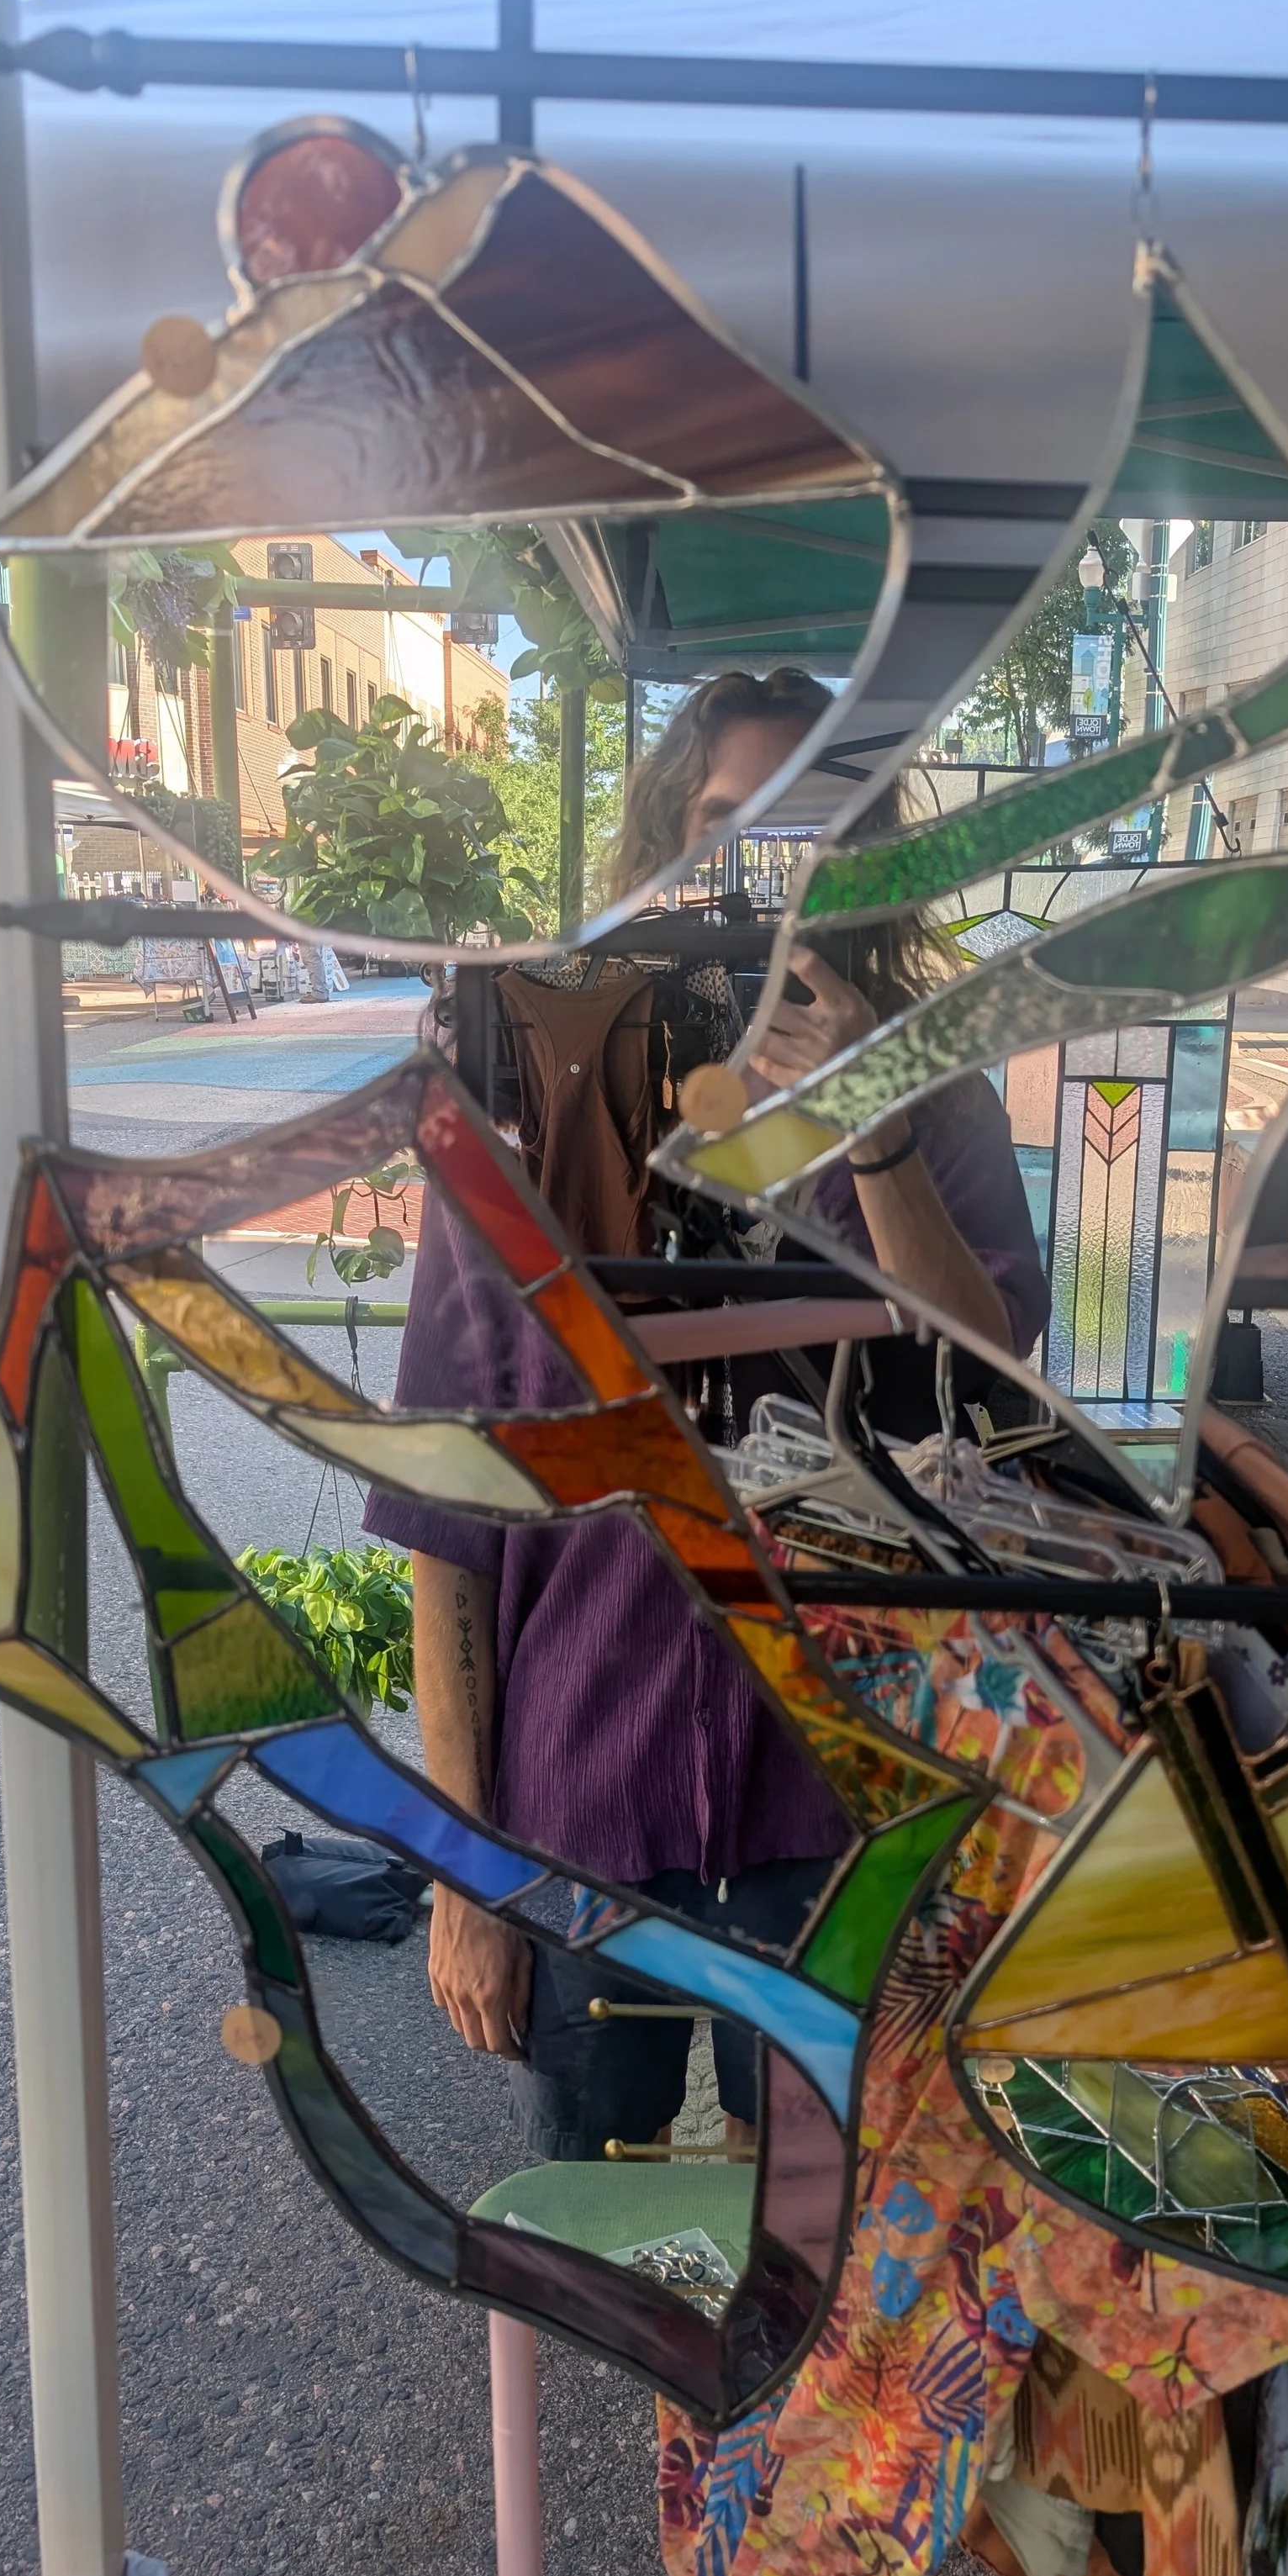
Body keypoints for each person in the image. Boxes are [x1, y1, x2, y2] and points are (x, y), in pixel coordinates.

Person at [362, 667, 1049, 2159]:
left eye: (809, 832)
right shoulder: (530, 1101)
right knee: (594, 2221)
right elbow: (446, 1513)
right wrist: (462, 1874)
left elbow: (989, 1396)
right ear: (664, 850)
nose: (762, 875)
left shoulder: (936, 1098)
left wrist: (876, 1144)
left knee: (821, 2238)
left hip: (841, 1800)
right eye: (729, 830)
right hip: (579, 1791)